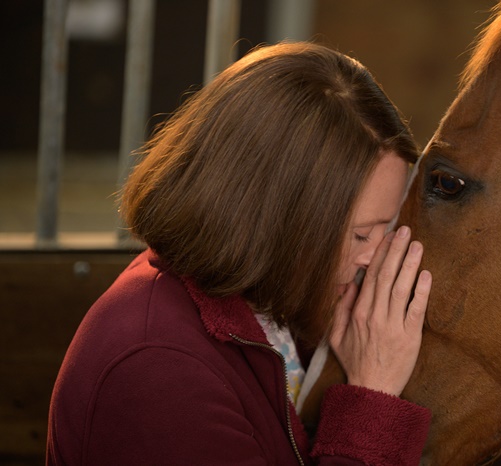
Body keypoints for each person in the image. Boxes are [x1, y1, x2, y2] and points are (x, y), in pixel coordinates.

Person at [47, 41, 433, 465]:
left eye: (388, 228)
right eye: (361, 236)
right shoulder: (158, 371)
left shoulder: (273, 307)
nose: (375, 257)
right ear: (274, 219)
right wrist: (372, 395)